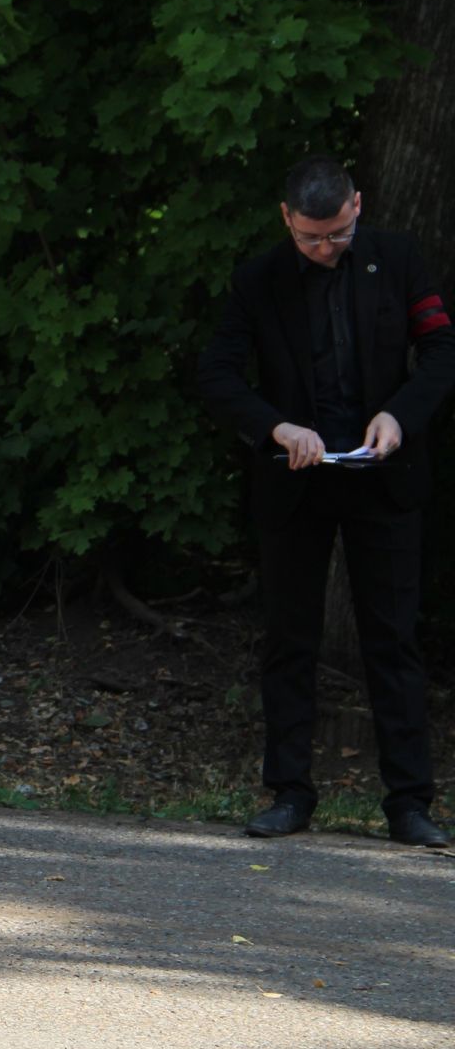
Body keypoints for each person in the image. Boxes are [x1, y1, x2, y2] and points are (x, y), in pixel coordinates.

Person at [198, 153, 455, 847]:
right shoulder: (259, 279)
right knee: (289, 639)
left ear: (357, 207)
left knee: (393, 641)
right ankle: (289, 792)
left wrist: (399, 416)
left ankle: (408, 803)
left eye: (335, 234)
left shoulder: (398, 260)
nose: (323, 249)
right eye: (310, 237)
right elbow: (219, 373)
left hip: (384, 472)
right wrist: (275, 428)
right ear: (286, 218)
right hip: (296, 476)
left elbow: (440, 352)